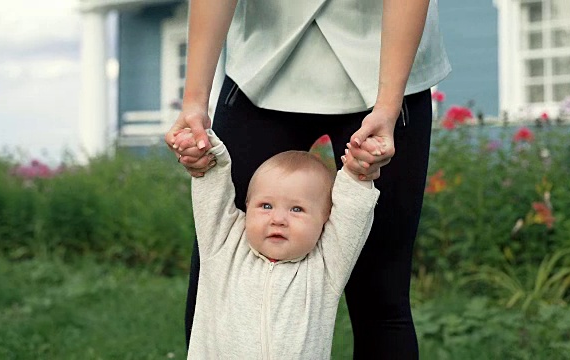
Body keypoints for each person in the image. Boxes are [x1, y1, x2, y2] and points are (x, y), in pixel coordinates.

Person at [165, 0, 451, 358]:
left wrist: (388, 107)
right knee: (217, 282)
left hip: (387, 63)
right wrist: (194, 102)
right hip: (262, 63)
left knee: (381, 297)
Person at [171, 128, 379, 358]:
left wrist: (357, 174)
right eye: (266, 206)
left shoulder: (326, 267)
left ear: (325, 220)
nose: (278, 219)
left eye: (297, 209)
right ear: (247, 207)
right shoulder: (223, 245)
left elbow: (352, 214)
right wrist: (204, 150)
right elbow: (212, 186)